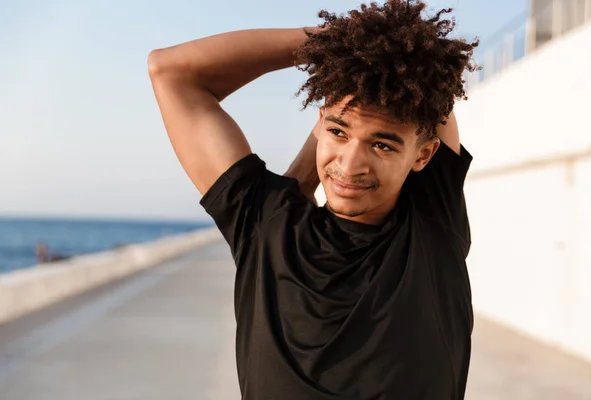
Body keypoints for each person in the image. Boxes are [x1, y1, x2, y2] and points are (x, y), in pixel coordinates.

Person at [148, 0, 479, 398]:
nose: (352, 163)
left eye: (382, 146)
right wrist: (332, 43)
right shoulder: (264, 225)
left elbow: (426, 66)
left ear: (423, 155)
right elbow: (169, 70)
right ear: (319, 124)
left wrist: (364, 48)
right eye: (339, 132)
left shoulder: (431, 226)